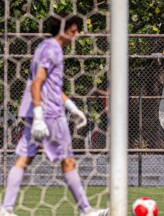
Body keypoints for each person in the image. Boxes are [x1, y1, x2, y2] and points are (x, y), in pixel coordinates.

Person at [0, 16, 108, 216]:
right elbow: (37, 82)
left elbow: (51, 85)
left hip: (34, 111)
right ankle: (86, 210)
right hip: (49, 114)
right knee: (68, 161)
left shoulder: (44, 46)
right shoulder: (53, 50)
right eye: (74, 30)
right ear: (63, 29)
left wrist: (72, 107)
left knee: (24, 158)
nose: (76, 35)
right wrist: (41, 117)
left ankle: (5, 209)